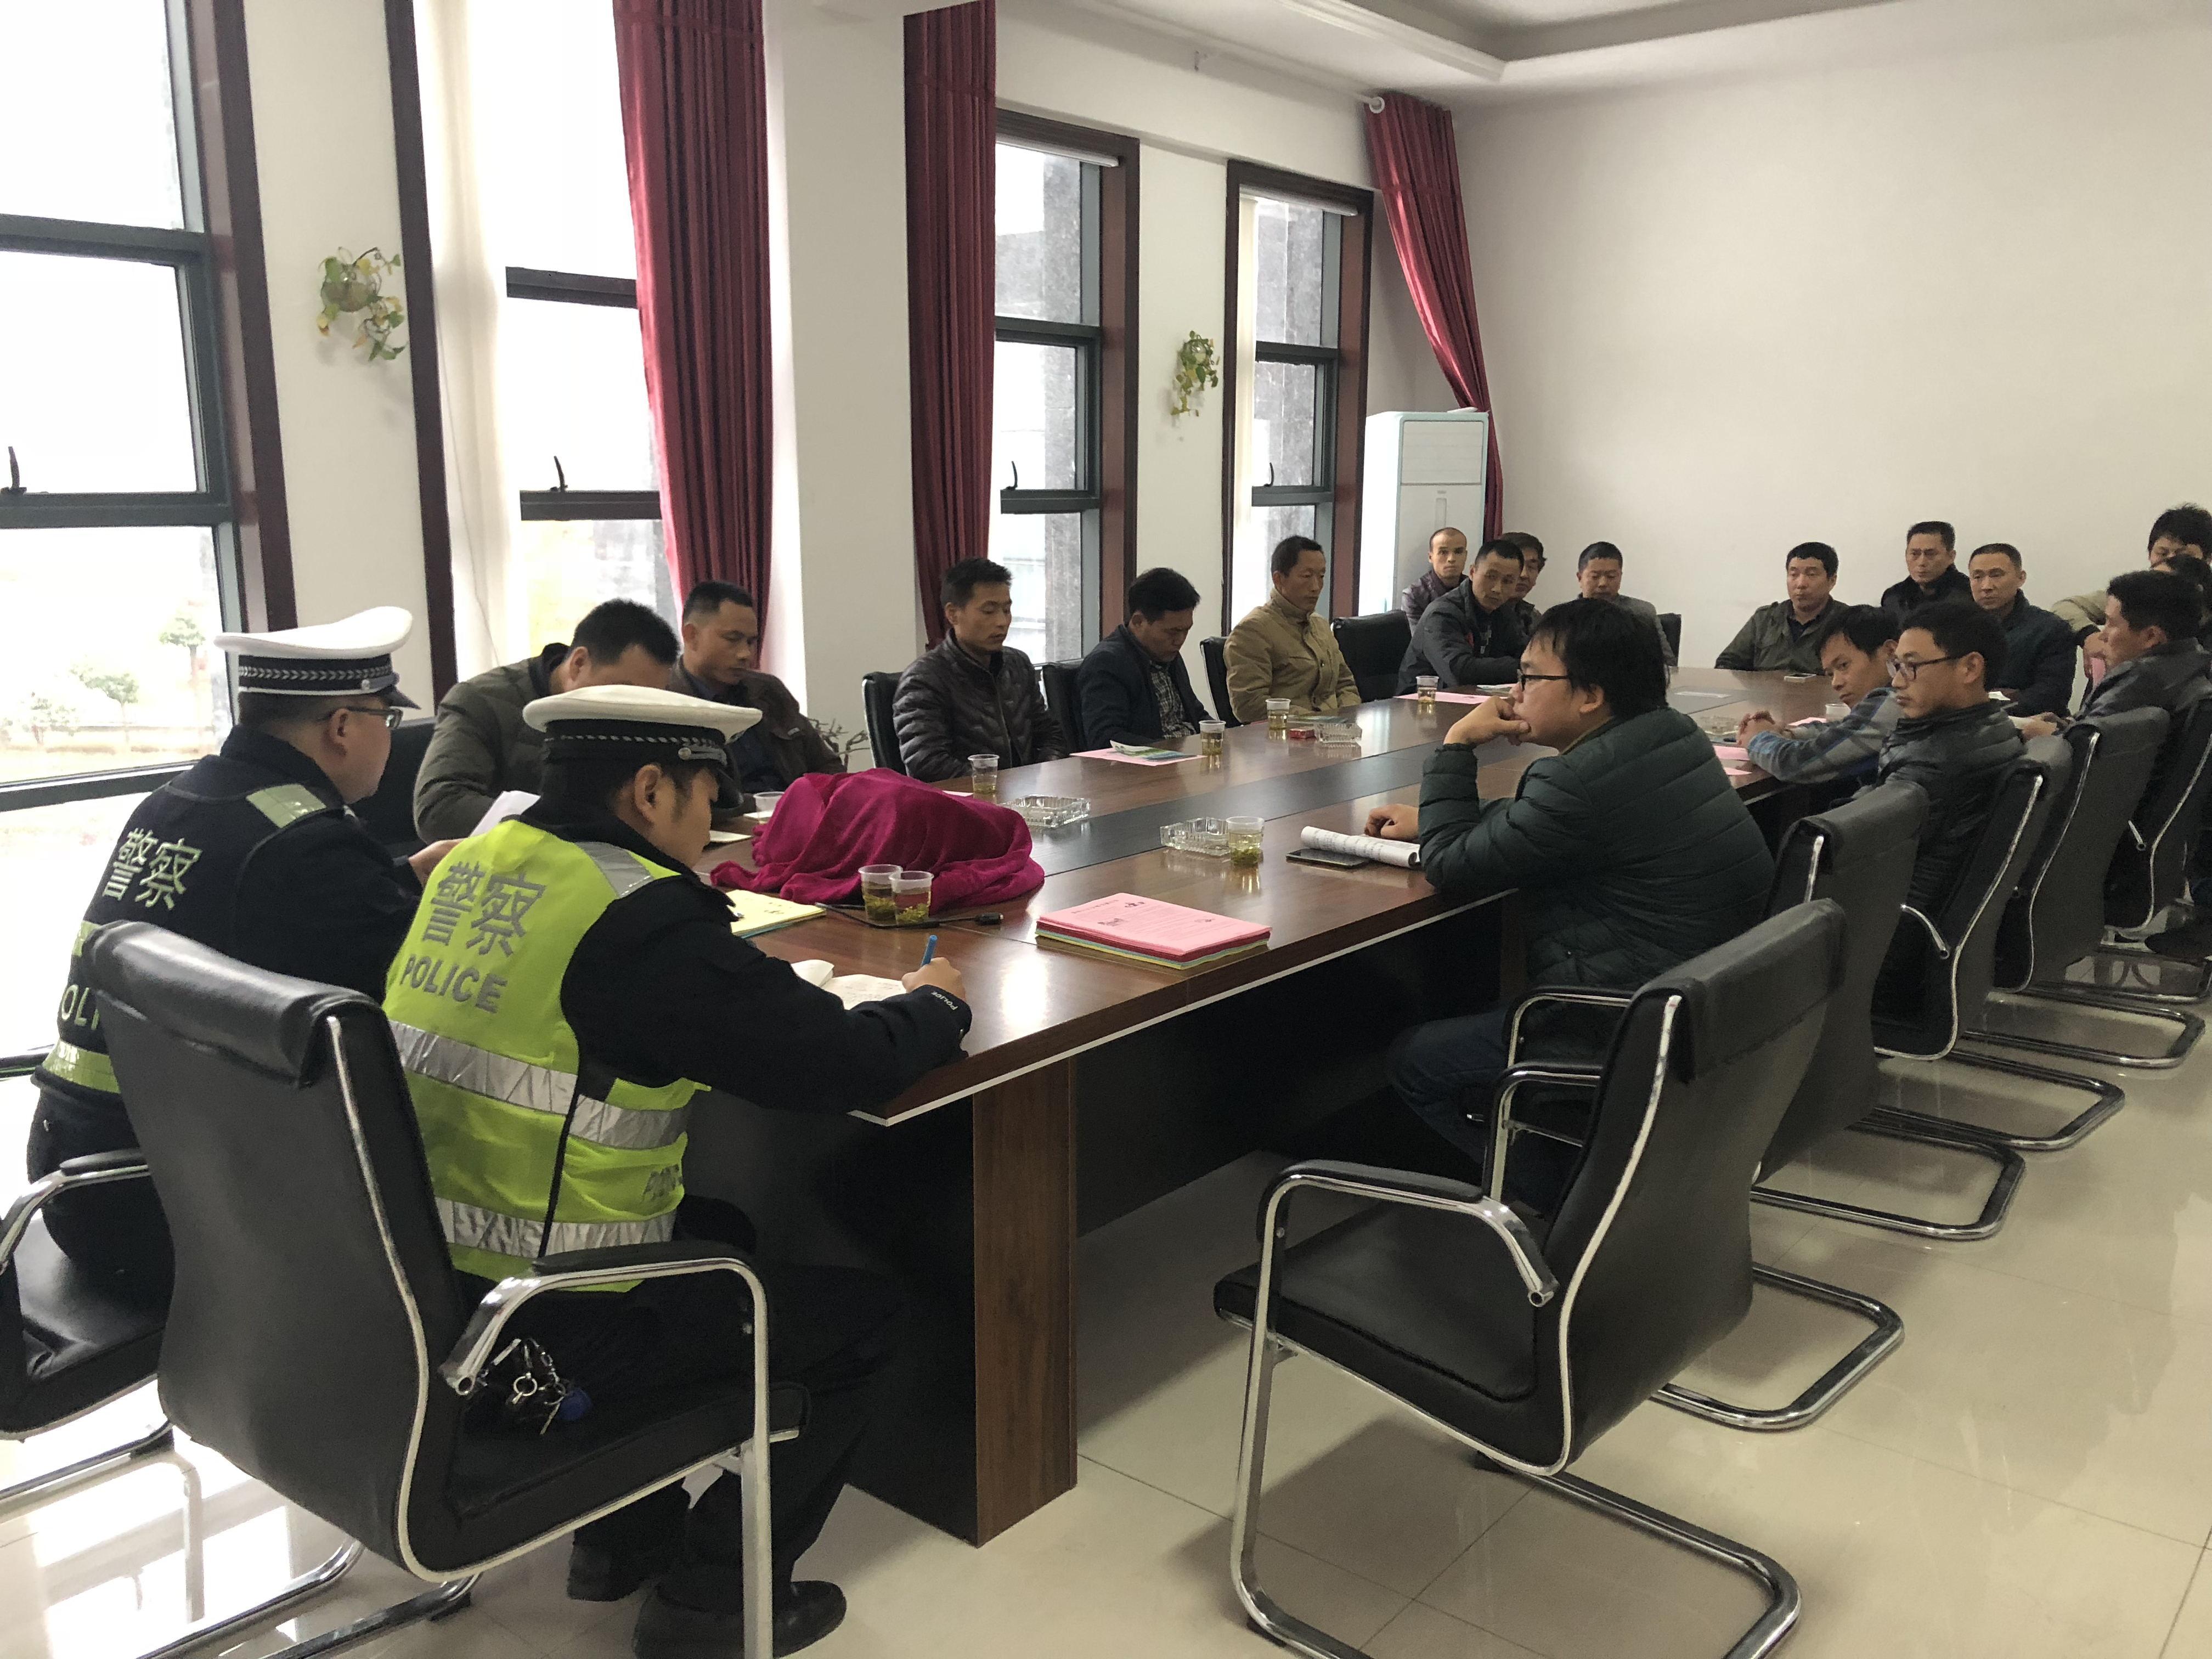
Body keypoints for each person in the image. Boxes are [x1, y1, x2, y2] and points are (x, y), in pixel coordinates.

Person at [387, 684, 972, 1656]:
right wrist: (935, 1004)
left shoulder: (477, 864)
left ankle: (620, 1541)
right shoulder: (639, 914)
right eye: (710, 798)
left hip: (422, 1285)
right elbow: (837, 1063)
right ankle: (713, 1602)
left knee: (727, 1230)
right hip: (552, 1319)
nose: (714, 828)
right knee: (865, 1319)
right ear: (652, 789)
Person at [31, 608, 454, 1301]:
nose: (390, 733)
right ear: (342, 727)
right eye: (387, 716)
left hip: (78, 1168)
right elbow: (409, 1002)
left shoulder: (178, 800)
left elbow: (247, 910)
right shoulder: (308, 843)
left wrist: (400, 878)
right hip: (180, 1205)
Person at [1364, 600, 1773, 1178]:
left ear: (1591, 695)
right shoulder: (1671, 734)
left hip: (1621, 1020)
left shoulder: (1573, 781)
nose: (1515, 692)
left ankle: (1572, 1200)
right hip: (1709, 1002)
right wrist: (1447, 815)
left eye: (1530, 678)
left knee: (1416, 1061)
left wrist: (1457, 745)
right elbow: (1577, 819)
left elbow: (1450, 864)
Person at [414, 599, 679, 840]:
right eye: (623, 691)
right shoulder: (481, 700)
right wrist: (565, 824)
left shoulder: (642, 714)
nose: (633, 708)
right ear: (578, 664)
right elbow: (438, 809)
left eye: (649, 698)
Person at [1868, 600, 2024, 1011]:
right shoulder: (1995, 727)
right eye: (1896, 666)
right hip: (1927, 930)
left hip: (1889, 949)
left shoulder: (1934, 764)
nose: (1897, 682)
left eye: (1912, 666)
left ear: (1970, 668)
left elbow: (1856, 854)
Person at [2020, 567, 2212, 802]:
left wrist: (2048, 734)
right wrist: (2067, 725)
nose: (2102, 635)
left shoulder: (2141, 680)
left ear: (2151, 637)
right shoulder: (2192, 663)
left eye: (2111, 624)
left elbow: (2082, 755)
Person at [894, 558, 1069, 781]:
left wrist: (1045, 775)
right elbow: (928, 763)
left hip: (1026, 793)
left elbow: (1050, 734)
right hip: (968, 798)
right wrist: (995, 786)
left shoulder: (1017, 664)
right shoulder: (924, 679)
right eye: (989, 611)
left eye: (1007, 610)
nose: (1002, 622)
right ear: (953, 614)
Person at [672, 580, 845, 798]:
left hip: (797, 810)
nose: (745, 654)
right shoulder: (667, 704)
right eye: (733, 639)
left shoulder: (768, 691)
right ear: (691, 635)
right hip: (730, 818)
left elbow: (828, 767)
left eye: (751, 642)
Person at [1736, 606, 1901, 789]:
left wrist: (1757, 739)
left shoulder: (1894, 703)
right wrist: (1785, 733)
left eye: (1844, 665)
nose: (1836, 683)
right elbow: (1843, 730)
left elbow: (1795, 764)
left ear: (1890, 652)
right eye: (1830, 674)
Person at [1223, 536, 1361, 721]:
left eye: (1321, 576)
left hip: (1333, 731)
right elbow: (1249, 705)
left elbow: (1345, 684)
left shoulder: (1320, 625)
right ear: (1279, 579)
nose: (1316, 587)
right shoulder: (1253, 630)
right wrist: (1314, 721)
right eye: (1307, 576)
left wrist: (1345, 718)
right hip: (1284, 734)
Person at [1077, 566, 1211, 748]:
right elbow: (1106, 738)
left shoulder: (1167, 654)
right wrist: (1171, 753)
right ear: (1138, 621)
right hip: (1156, 760)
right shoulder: (1107, 663)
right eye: (1172, 632)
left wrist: (1223, 737)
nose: (1180, 641)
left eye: (1186, 630)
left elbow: (1196, 713)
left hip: (1188, 755)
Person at [2051, 503, 2212, 649]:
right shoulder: (2135, 593)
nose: (2171, 561)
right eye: (2162, 553)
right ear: (2150, 554)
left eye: (2184, 555)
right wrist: (2090, 637)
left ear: (2208, 559)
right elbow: (2066, 607)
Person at [1397, 538, 1526, 692]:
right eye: (1491, 577)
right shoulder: (1442, 614)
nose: (1497, 589)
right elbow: (1460, 673)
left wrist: (1532, 664)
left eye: (1508, 581)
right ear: (1472, 572)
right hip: (1422, 701)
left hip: (1475, 698)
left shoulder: (1503, 612)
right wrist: (1524, 667)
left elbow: (1525, 653)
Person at [1966, 543, 2074, 716]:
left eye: (1996, 575)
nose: (1986, 586)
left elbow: (2052, 696)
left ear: (2021, 578)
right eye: (1977, 577)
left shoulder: (2050, 629)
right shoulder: (1954, 628)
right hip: (1963, 722)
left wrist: (1988, 705)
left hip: (2026, 723)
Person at [1716, 543, 1846, 674]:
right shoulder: (1764, 619)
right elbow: (1727, 664)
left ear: (1832, 581)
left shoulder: (1847, 622)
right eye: (1794, 575)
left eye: (1811, 575)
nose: (1801, 584)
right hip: (1766, 687)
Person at [1572, 540, 1675, 665]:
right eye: (1595, 577)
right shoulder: (1565, 619)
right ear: (1580, 578)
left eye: (1611, 576)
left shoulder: (1642, 613)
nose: (1603, 583)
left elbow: (1668, 664)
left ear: (1620, 577)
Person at [1880, 521, 1972, 621]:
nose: (1922, 562)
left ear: (1951, 557)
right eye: (1915, 554)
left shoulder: (1970, 595)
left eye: (1930, 554)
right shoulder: (1894, 597)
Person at [1399, 526, 1470, 630]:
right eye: (1443, 552)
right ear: (1430, 557)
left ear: (1466, 556)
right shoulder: (1414, 596)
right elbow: (1419, 638)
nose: (1451, 559)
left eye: (1458, 552)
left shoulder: (1474, 589)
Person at [1504, 532, 1546, 638]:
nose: (1524, 575)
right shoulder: (1475, 613)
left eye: (1531, 567)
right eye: (1518, 566)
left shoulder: (1534, 618)